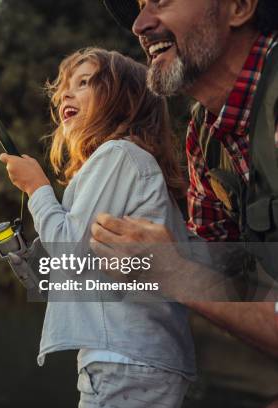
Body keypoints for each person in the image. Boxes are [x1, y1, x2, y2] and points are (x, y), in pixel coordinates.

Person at [0, 48, 195, 408]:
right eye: (62, 89)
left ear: (126, 101)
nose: (64, 95)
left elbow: (69, 250)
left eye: (84, 83)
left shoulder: (118, 155)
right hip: (135, 359)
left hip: (125, 360)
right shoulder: (126, 161)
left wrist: (36, 188)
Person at [93, 0, 278, 357]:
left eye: (161, 1)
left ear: (239, 8)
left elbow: (189, 273)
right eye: (140, 5)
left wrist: (174, 272)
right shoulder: (203, 136)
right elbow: (235, 282)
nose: (140, 24)